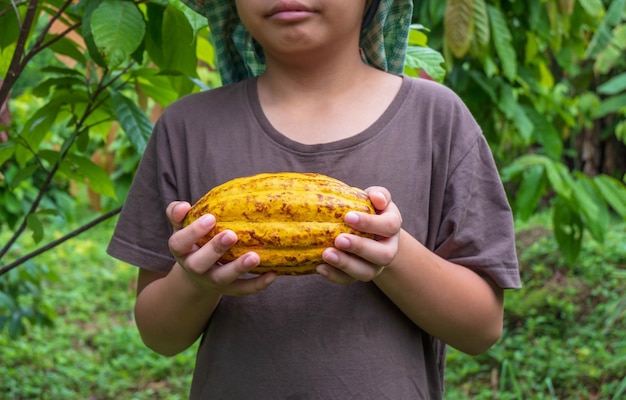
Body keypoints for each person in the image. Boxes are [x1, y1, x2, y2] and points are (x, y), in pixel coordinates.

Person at [107, 0, 521, 398]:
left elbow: (481, 328)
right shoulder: (186, 128)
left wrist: (392, 256)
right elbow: (159, 335)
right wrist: (195, 282)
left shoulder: (436, 120)